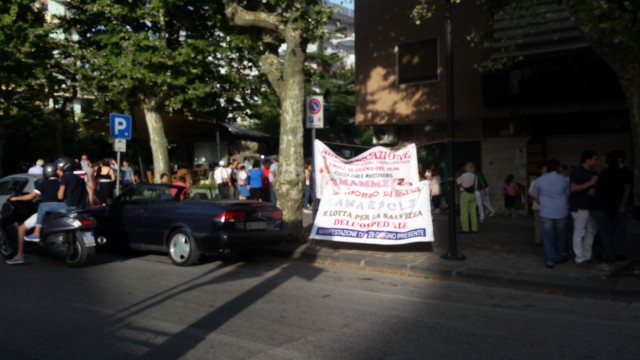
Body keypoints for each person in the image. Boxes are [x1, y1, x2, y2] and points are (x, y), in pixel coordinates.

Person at [6, 163, 61, 264]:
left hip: (46, 212)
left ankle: (19, 255)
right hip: (60, 211)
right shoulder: (61, 182)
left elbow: (30, 197)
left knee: (21, 228)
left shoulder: (43, 183)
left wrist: (15, 198)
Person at [25, 157, 87, 242]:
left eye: (58, 168)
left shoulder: (64, 177)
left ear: (63, 167)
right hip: (80, 207)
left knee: (42, 206)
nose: (57, 170)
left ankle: (36, 233)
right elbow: (87, 193)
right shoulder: (80, 178)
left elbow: (60, 196)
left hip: (69, 207)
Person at [531, 159, 570, 269]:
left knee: (547, 236)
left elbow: (535, 194)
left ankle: (550, 260)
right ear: (558, 167)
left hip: (546, 212)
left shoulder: (539, 180)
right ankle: (558, 255)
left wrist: (544, 201)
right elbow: (568, 195)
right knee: (560, 235)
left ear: (546, 168)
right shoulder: (564, 180)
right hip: (561, 212)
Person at [592, 152, 624, 270]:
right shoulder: (619, 174)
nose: (600, 163)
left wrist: (594, 193)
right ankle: (612, 258)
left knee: (604, 236)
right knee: (612, 235)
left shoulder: (605, 174)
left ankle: (607, 261)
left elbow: (600, 192)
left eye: (602, 161)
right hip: (614, 208)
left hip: (603, 208)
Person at [569, 150, 599, 268]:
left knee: (591, 231)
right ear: (587, 159)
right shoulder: (577, 171)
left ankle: (587, 256)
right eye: (594, 159)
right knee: (579, 232)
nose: (595, 162)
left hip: (590, 205)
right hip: (580, 206)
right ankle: (579, 258)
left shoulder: (591, 172)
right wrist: (591, 182)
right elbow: (573, 188)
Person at [612, 150, 633, 260]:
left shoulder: (625, 172)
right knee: (617, 228)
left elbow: (627, 189)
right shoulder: (616, 172)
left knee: (622, 228)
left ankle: (622, 252)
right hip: (617, 204)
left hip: (624, 204)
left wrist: (622, 205)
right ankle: (617, 251)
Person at [456, 162, 478, 233]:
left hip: (465, 194)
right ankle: (474, 229)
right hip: (473, 194)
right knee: (473, 212)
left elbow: (457, 181)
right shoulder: (475, 176)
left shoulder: (463, 175)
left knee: (464, 212)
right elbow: (476, 185)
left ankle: (465, 229)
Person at [528, 164, 547, 245]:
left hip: (539, 206)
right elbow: (530, 192)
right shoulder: (536, 181)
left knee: (538, 224)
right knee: (542, 224)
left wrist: (536, 200)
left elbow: (530, 192)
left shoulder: (535, 181)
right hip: (542, 206)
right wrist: (537, 200)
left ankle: (539, 240)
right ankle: (541, 240)